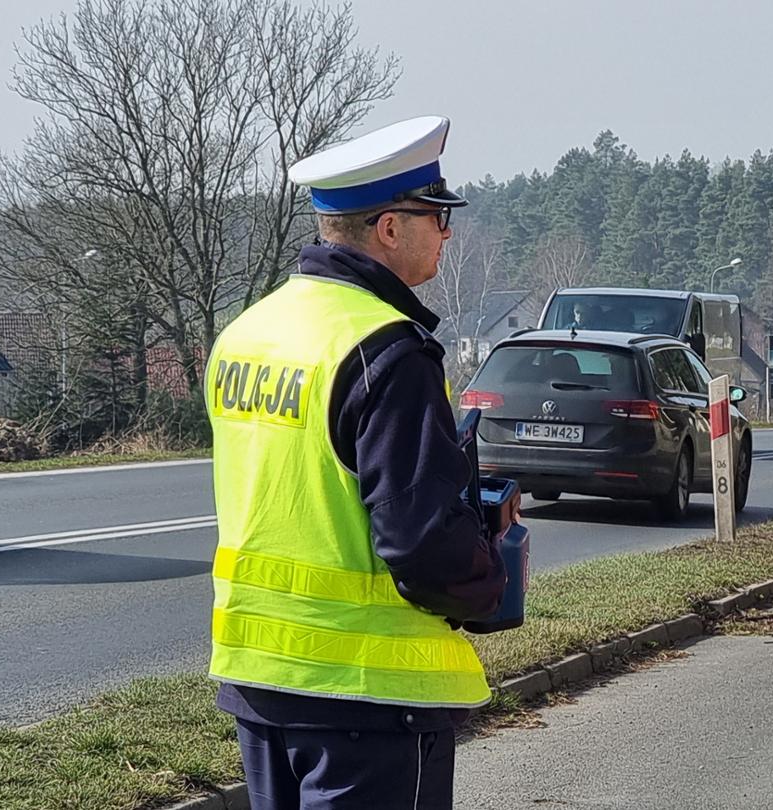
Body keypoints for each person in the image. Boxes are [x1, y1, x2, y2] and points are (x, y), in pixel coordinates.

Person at [204, 115, 516, 810]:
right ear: (388, 229)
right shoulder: (387, 351)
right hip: (370, 697)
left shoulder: (247, 332)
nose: (447, 231)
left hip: (259, 683)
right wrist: (490, 577)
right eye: (437, 215)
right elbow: (419, 541)